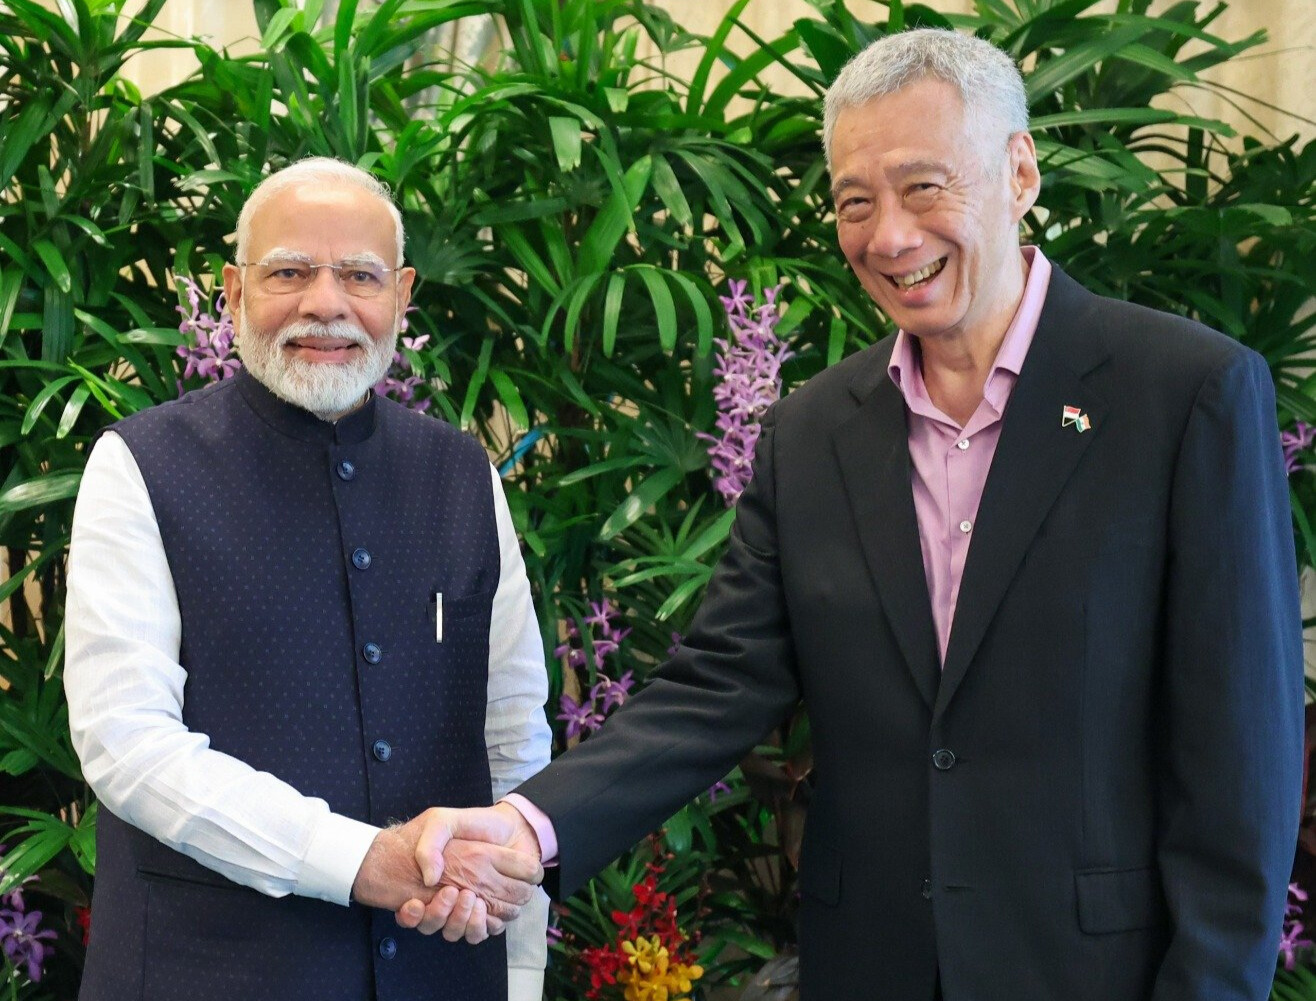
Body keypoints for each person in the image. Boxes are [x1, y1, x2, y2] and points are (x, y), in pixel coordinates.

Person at [400, 28, 1305, 1001]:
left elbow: (1237, 749)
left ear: (1018, 173)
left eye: (924, 188)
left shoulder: (1183, 394)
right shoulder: (812, 428)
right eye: (853, 202)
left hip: (1093, 968)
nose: (888, 237)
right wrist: (530, 826)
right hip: (869, 963)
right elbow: (716, 686)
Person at [64, 157, 551, 1001]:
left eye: (359, 275)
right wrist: (364, 860)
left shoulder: (463, 474)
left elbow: (512, 732)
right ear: (232, 290)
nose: (325, 303)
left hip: (445, 976)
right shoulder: (139, 465)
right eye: (289, 270)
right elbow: (126, 741)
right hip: (207, 975)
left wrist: (520, 965)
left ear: (401, 295)